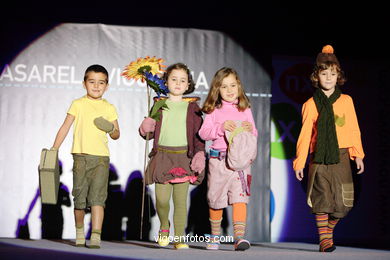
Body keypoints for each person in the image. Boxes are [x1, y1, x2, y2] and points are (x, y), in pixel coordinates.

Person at [293, 45, 365, 252]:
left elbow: (353, 129)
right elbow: (305, 135)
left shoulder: (346, 101)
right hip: (319, 157)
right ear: (317, 76)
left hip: (341, 156)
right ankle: (324, 240)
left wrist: (357, 154)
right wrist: (299, 161)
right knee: (321, 198)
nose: (329, 78)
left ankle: (328, 231)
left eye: (333, 74)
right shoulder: (310, 104)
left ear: (338, 76)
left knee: (344, 205)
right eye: (324, 74)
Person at [51, 64, 120, 248]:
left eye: (101, 82)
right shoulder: (78, 104)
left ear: (107, 86)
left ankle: (96, 236)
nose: (96, 86)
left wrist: (110, 127)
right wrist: (53, 149)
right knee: (80, 199)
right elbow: (65, 126)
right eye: (92, 82)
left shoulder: (109, 107)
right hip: (80, 158)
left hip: (100, 159)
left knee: (98, 199)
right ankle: (80, 232)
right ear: (84, 84)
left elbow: (116, 134)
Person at [139, 63, 205, 249]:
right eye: (174, 79)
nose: (178, 83)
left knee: (180, 201)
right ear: (166, 82)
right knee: (161, 199)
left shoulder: (193, 108)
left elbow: (199, 134)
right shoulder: (159, 104)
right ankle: (164, 226)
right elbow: (148, 133)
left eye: (182, 80)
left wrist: (200, 153)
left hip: (184, 156)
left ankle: (179, 237)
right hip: (163, 156)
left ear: (188, 85)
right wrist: (146, 126)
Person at [199, 67, 258, 251]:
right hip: (219, 162)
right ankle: (215, 236)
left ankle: (238, 237)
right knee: (216, 200)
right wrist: (221, 127)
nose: (230, 90)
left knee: (240, 198)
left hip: (240, 163)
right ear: (217, 89)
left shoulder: (245, 109)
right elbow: (203, 133)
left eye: (233, 85)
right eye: (224, 86)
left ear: (239, 86)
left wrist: (250, 130)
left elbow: (254, 133)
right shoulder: (213, 110)